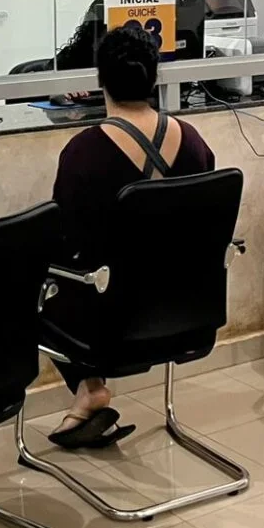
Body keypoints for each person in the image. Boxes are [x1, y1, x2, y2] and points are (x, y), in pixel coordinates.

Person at [46, 25, 215, 448]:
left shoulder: (84, 152)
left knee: (39, 282)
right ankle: (89, 393)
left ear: (99, 79)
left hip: (112, 324)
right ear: (154, 78)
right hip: (187, 313)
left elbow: (66, 241)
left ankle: (89, 386)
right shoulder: (194, 143)